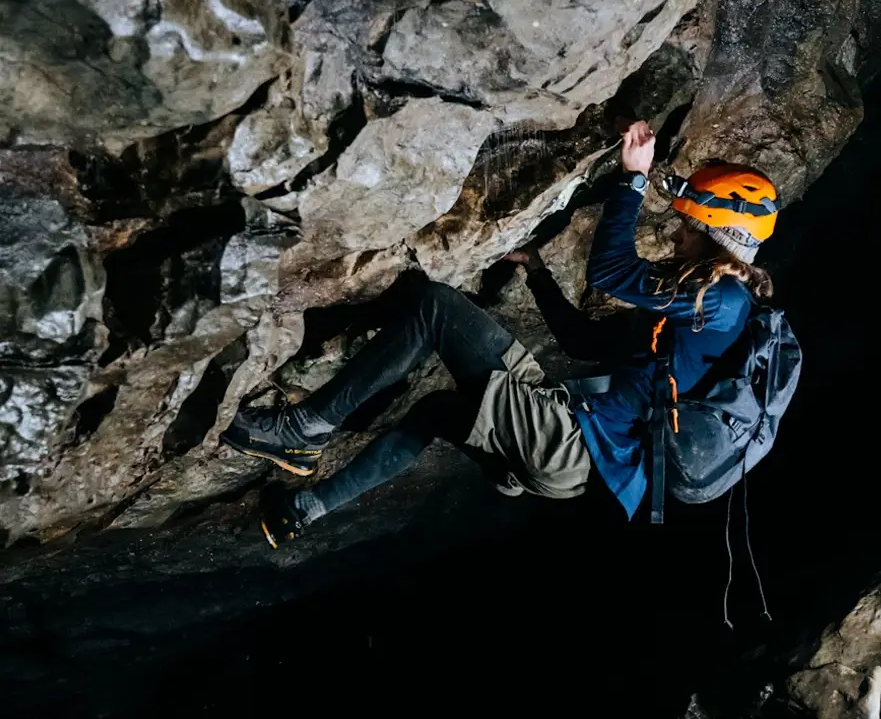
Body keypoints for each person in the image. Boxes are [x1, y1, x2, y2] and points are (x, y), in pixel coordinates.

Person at [221, 120, 780, 547]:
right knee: (437, 413)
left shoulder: (721, 300)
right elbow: (583, 344)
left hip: (570, 443)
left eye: (690, 227)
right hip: (574, 458)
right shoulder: (699, 320)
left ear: (718, 233)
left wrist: (633, 180)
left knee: (437, 308)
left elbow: (610, 272)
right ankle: (302, 512)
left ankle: (302, 430)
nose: (678, 236)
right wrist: (536, 271)